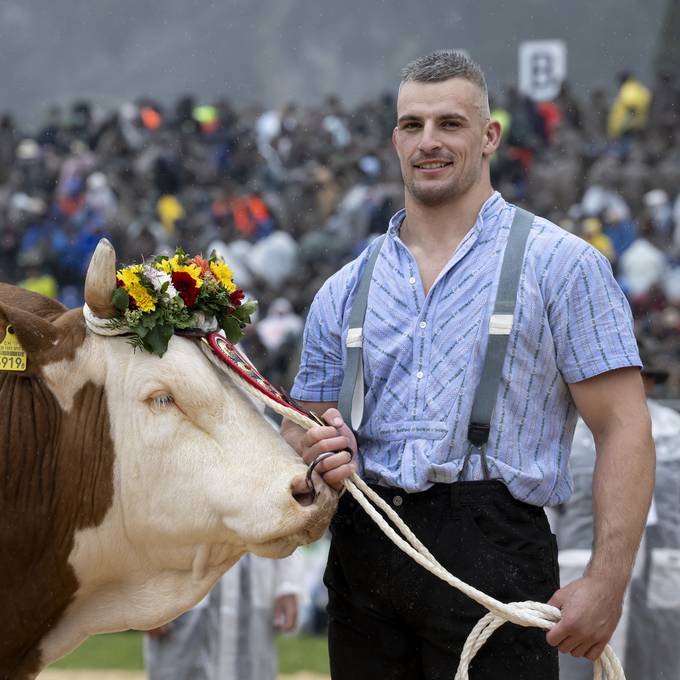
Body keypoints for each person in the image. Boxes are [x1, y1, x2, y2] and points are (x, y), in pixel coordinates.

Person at [281, 50, 655, 680]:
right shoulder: (344, 288)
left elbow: (624, 426)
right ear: (395, 139)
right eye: (412, 125)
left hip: (496, 550)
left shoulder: (562, 266)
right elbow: (301, 425)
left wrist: (607, 581)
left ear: (489, 138)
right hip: (366, 550)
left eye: (450, 124)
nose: (429, 142)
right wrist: (315, 444)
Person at [556, 346, 680, 679]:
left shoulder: (674, 430)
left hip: (661, 568)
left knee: (656, 657)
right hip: (583, 563)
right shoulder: (574, 431)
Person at [144, 551, 305, 680]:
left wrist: (288, 583)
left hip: (254, 577)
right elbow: (143, 521)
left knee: (254, 669)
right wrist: (148, 589)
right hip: (182, 582)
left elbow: (287, 516)